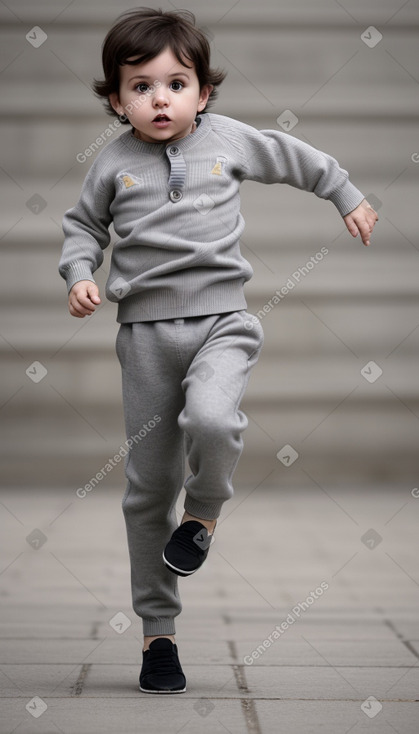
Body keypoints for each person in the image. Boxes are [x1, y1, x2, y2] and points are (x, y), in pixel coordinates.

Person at [58, 7, 378, 694]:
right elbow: (82, 227)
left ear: (203, 92)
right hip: (142, 339)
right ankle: (157, 635)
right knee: (146, 491)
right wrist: (80, 274)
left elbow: (299, 160)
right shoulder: (112, 164)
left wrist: (345, 194)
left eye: (176, 83)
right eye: (140, 87)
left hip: (221, 323)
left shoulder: (229, 140)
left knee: (212, 420)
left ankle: (202, 515)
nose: (160, 98)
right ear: (116, 100)